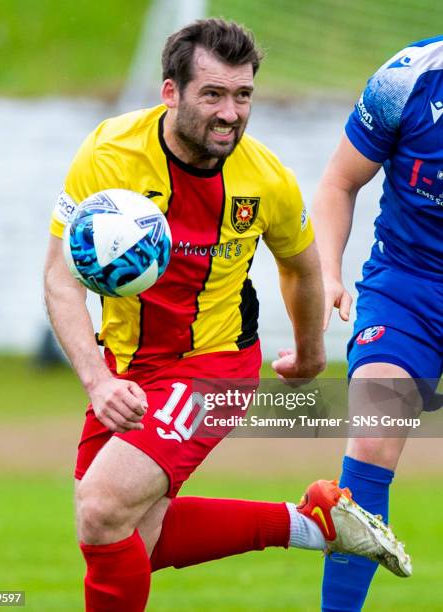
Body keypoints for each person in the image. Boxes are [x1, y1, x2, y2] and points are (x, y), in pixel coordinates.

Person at [44, 19, 410, 611]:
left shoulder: (265, 179)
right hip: (128, 365)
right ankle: (313, 525)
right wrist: (98, 377)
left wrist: (312, 351)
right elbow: (61, 276)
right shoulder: (110, 154)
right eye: (212, 94)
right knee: (129, 536)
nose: (230, 113)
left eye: (243, 96)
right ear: (171, 92)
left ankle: (313, 524)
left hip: (213, 367)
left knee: (103, 506)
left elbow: (300, 266)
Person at [312, 35, 443, 611]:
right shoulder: (404, 80)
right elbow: (339, 183)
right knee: (371, 430)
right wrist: (326, 273)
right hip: (408, 288)